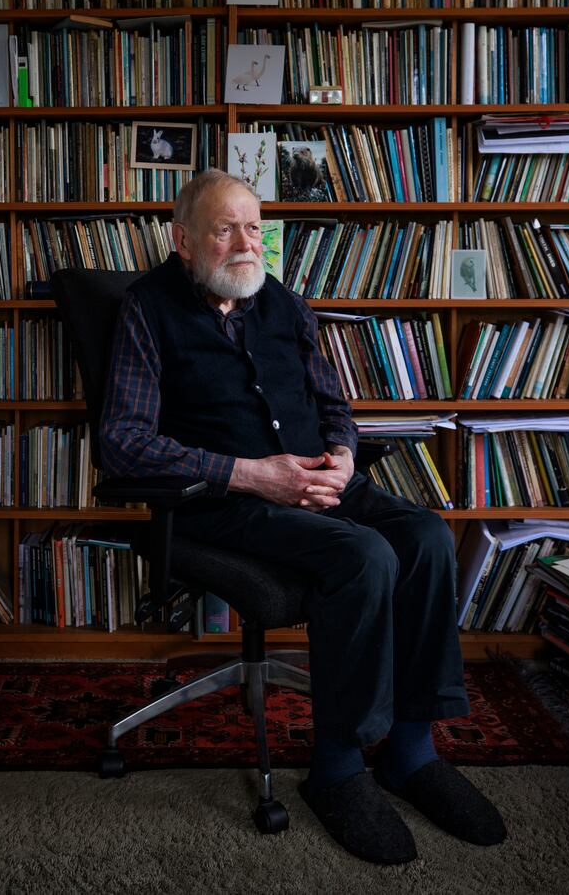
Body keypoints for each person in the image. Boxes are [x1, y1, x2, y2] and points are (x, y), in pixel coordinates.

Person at [99, 169, 506, 865]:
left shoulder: (285, 304)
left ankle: (412, 749)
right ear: (184, 239)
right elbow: (122, 440)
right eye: (225, 228)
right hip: (219, 502)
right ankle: (339, 767)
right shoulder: (147, 308)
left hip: (316, 484)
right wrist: (256, 475)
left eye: (254, 227)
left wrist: (342, 458)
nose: (244, 242)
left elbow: (334, 408)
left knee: (428, 537)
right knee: (365, 557)